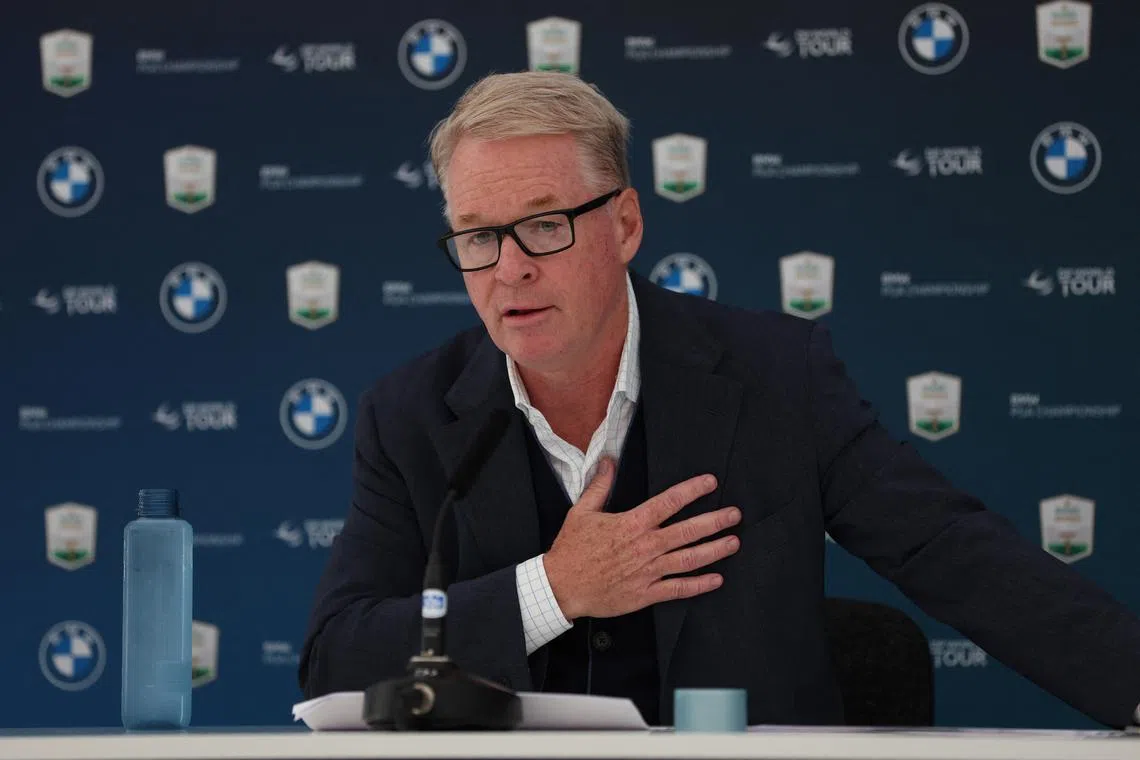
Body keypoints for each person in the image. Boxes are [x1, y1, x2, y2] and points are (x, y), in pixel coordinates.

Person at [298, 71, 1140, 728]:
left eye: (545, 224)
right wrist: (551, 590)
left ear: (624, 224)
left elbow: (945, 549)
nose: (510, 267)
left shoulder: (777, 377)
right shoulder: (409, 415)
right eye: (479, 235)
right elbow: (337, 658)